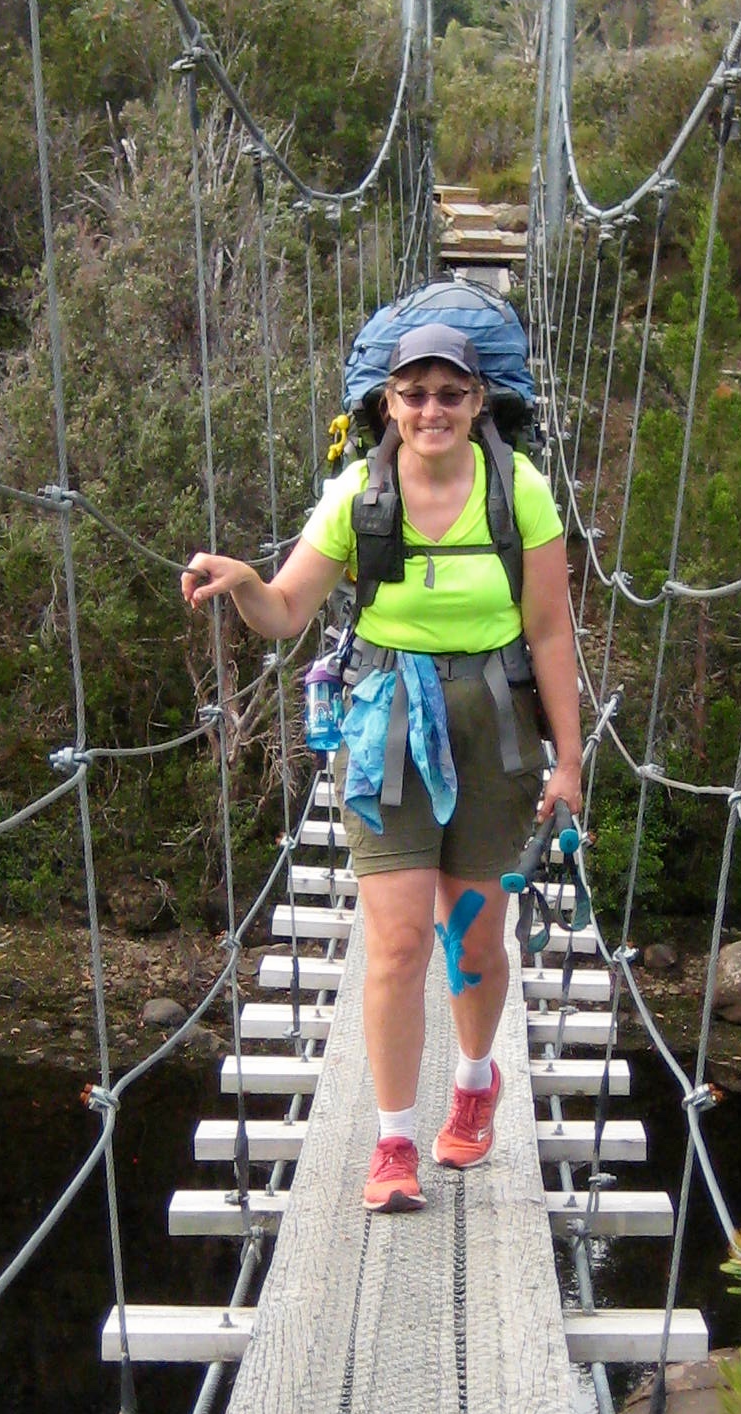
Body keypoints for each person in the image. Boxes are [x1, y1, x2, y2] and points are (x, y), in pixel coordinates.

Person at [181, 320, 582, 1213]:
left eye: (449, 393)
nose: (431, 409)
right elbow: (286, 611)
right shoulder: (358, 495)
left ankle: (475, 1081)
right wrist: (246, 580)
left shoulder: (520, 491)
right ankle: (394, 1143)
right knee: (398, 941)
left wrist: (571, 760)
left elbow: (551, 632)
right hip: (387, 725)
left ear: (478, 403)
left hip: (495, 728)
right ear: (387, 405)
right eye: (413, 394)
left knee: (473, 937)